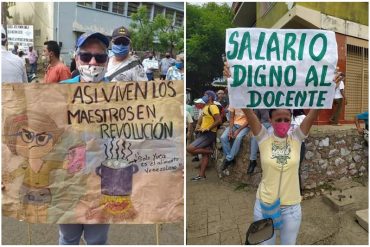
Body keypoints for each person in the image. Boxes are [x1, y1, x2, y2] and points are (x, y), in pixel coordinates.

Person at [224, 62, 320, 245]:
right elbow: (246, 109)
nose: (283, 122)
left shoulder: (297, 138)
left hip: (292, 209)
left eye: (287, 118)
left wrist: (329, 87)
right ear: (271, 120)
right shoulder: (263, 138)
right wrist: (232, 81)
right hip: (264, 207)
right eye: (279, 119)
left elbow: (314, 112)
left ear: (291, 119)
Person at [60, 32, 111, 244]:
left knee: (97, 240)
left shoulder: (122, 95)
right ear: (76, 57)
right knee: (68, 238)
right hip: (66, 180)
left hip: (103, 181)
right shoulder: (59, 91)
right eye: (85, 56)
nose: (92, 62)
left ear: (107, 61)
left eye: (99, 58)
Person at [187, 91, 222, 181]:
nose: (204, 96)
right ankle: (202, 175)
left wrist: (208, 128)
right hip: (203, 133)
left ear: (210, 97)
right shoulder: (206, 107)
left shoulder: (213, 107)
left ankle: (210, 151)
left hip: (209, 134)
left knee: (190, 149)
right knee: (204, 155)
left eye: (206, 95)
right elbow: (201, 118)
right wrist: (198, 126)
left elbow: (219, 120)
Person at [248, 109, 270, 174]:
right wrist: (253, 128)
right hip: (263, 124)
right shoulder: (260, 103)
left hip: (274, 124)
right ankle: (252, 160)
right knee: (255, 136)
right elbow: (256, 117)